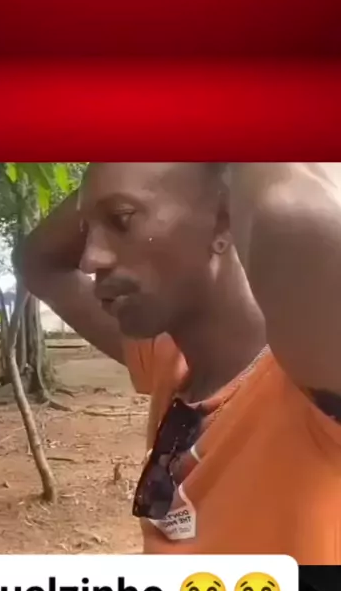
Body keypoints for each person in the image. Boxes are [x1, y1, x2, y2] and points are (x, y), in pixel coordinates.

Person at [20, 163, 341, 564]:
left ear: (222, 220)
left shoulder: (314, 374)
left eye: (121, 220)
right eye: (87, 229)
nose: (90, 257)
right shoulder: (169, 360)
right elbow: (39, 261)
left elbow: (291, 213)